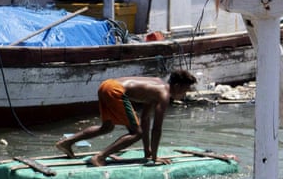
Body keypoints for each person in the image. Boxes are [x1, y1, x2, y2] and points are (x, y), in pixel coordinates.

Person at [56, 70, 196, 166]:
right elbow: (157, 129)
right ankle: (99, 157)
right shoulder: (164, 95)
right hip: (115, 90)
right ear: (177, 86)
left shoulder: (158, 86)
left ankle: (67, 143)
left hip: (106, 85)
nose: (184, 95)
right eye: (185, 91)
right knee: (136, 133)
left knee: (107, 127)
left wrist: (148, 151)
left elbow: (145, 120)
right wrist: (155, 158)